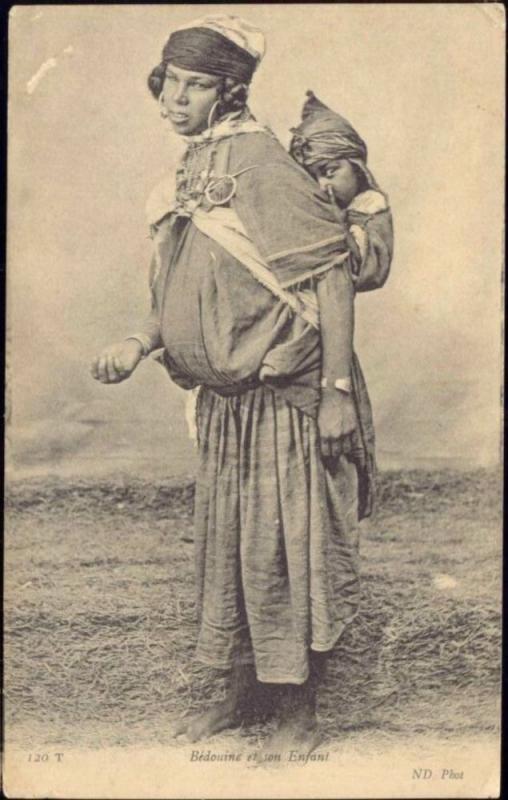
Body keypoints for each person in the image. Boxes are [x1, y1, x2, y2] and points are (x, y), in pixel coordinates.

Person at [90, 15, 386, 750]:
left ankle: (296, 711)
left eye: (194, 85)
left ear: (231, 92)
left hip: (286, 401)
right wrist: (140, 339)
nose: (175, 100)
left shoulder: (259, 166)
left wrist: (337, 395)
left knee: (289, 552)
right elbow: (190, 285)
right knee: (234, 553)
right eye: (170, 83)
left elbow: (330, 280)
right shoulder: (194, 167)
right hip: (227, 407)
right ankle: (242, 693)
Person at [289, 89, 393, 295]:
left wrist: (337, 226)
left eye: (329, 172)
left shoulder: (370, 209)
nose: (321, 186)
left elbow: (364, 273)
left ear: (356, 167)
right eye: (311, 178)